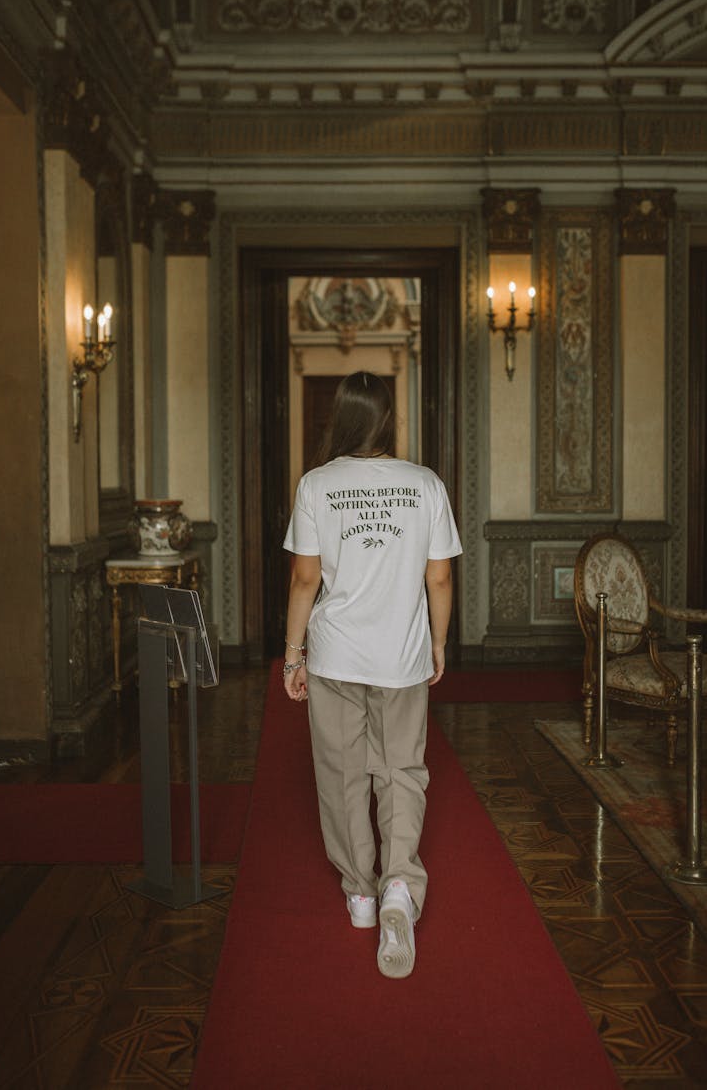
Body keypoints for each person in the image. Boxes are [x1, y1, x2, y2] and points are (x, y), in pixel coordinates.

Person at [282, 370, 462, 979]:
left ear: (342, 417)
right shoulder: (425, 484)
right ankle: (399, 890)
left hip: (335, 655)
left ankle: (359, 892)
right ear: (389, 419)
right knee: (402, 770)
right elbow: (438, 578)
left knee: (341, 771)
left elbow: (306, 579)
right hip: (402, 656)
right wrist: (438, 643)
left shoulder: (316, 485)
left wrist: (292, 652)